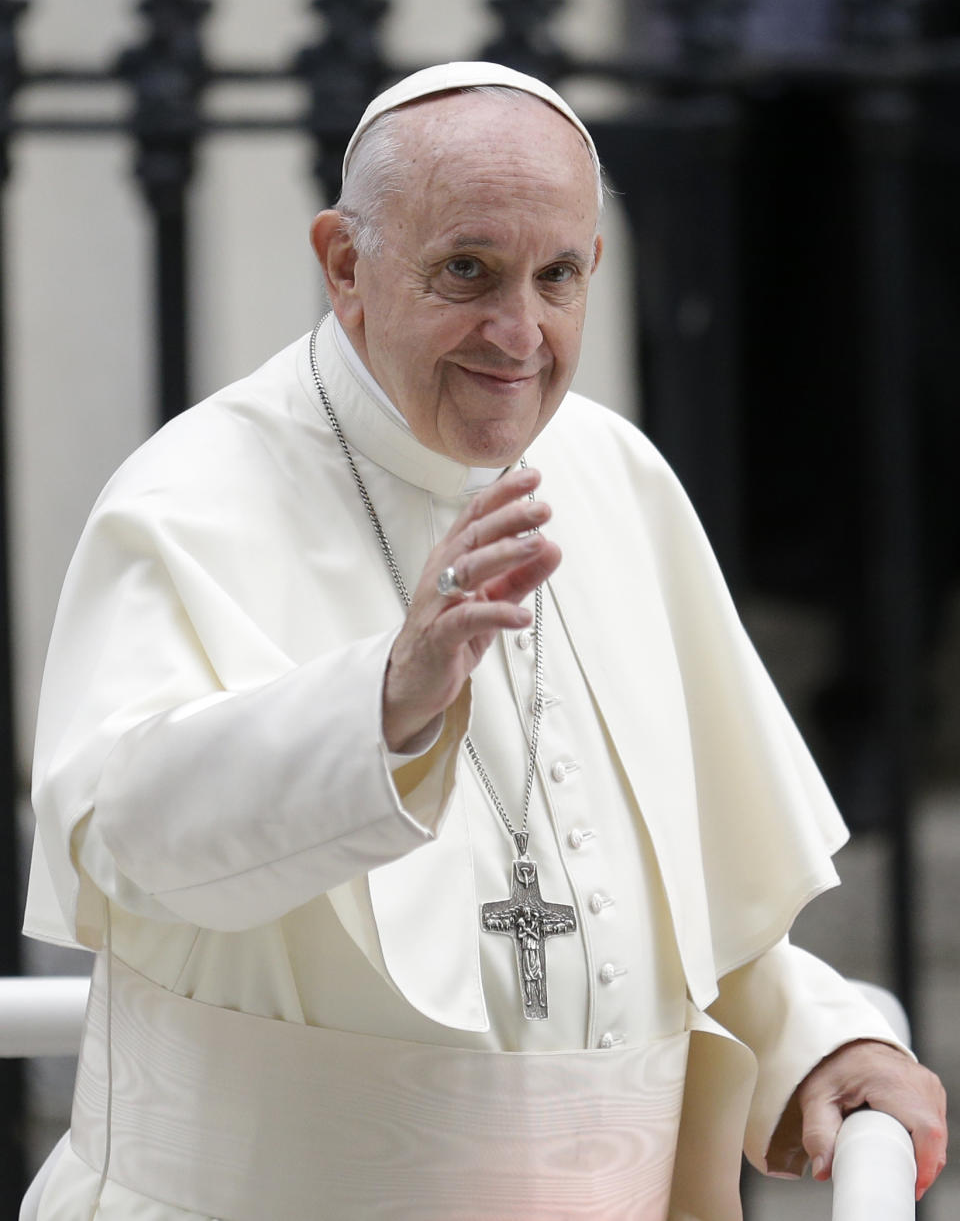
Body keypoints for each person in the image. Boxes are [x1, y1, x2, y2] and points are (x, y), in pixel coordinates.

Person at [23, 62, 945, 1220]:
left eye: (556, 277)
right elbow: (124, 837)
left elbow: (660, 910)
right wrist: (383, 704)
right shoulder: (190, 498)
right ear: (345, 265)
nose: (520, 333)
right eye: (468, 270)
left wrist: (811, 1039)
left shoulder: (615, 477)